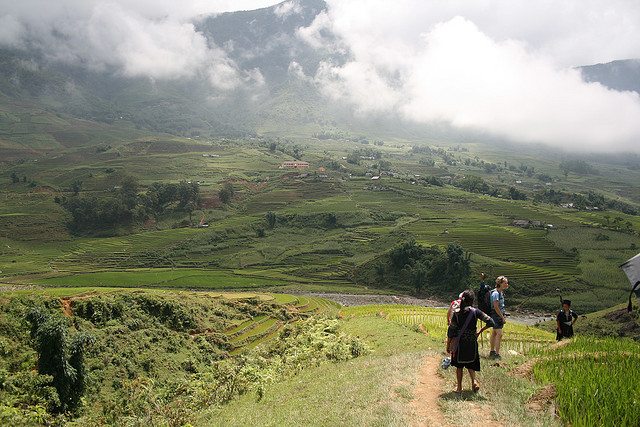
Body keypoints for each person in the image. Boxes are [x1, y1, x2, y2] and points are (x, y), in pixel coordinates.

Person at [447, 290, 495, 393]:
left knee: (459, 366)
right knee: (471, 363)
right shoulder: (476, 312)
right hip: (472, 343)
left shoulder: (457, 313)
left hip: (459, 344)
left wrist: (448, 344)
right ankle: (474, 381)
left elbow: (451, 330)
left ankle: (459, 388)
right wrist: (480, 331)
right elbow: (491, 322)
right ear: (472, 301)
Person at [489, 276, 509, 359]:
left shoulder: (500, 293)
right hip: (496, 315)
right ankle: (496, 354)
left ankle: (492, 351)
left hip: (497, 315)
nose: (507, 284)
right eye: (505, 283)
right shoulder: (496, 294)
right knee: (499, 334)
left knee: (494, 333)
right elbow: (496, 307)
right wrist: (502, 317)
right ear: (500, 284)